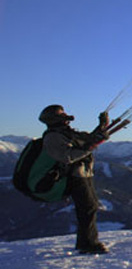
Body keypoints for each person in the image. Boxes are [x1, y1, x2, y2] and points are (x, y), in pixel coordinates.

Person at [39, 105, 110, 254]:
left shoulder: (66, 133)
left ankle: (86, 242)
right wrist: (90, 147)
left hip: (83, 174)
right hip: (74, 176)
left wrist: (103, 126)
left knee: (90, 206)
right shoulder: (53, 136)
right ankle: (88, 244)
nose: (66, 118)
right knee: (87, 208)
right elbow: (67, 156)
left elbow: (90, 139)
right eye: (62, 115)